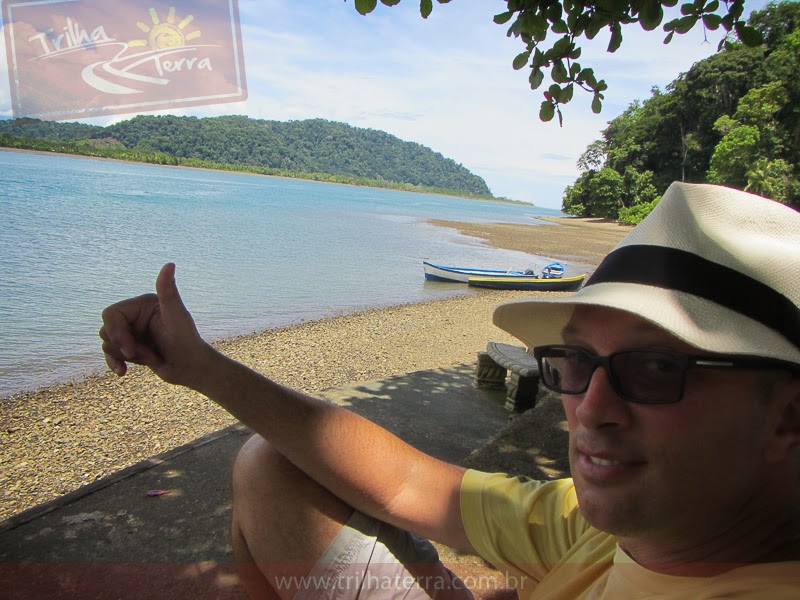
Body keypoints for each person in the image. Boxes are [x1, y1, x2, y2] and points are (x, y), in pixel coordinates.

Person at [100, 182, 800, 599]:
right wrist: (204, 369)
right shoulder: (617, 526)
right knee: (269, 462)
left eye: (656, 369)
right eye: (577, 359)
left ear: (787, 416)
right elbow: (411, 485)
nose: (590, 408)